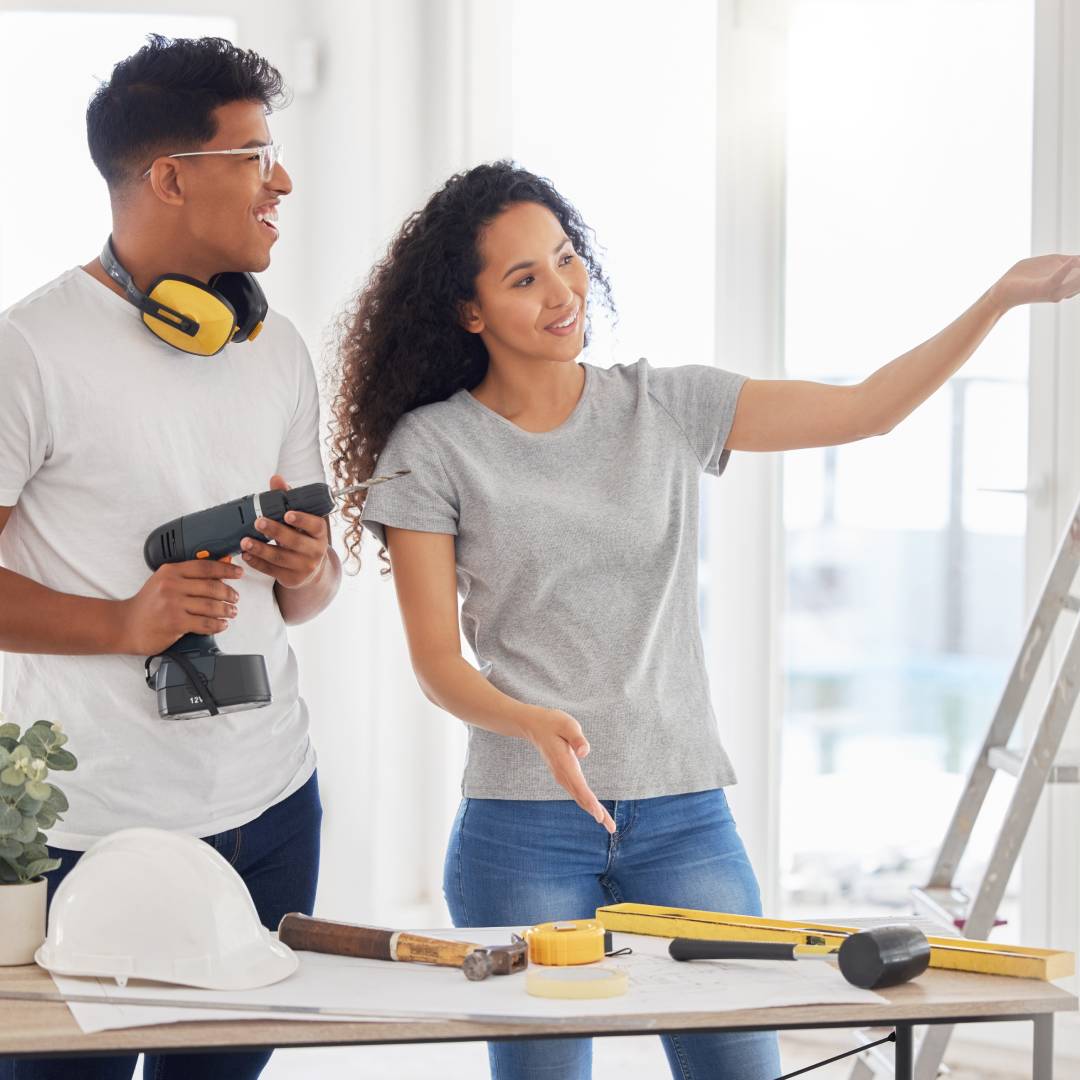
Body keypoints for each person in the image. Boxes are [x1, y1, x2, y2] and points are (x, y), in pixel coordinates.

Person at [331, 161, 1080, 1080]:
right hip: (521, 824)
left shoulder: (666, 406)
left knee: (738, 1066)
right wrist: (527, 720)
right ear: (469, 311)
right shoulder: (432, 447)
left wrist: (999, 298)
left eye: (566, 261)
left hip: (685, 815)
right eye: (524, 279)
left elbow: (866, 410)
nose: (562, 292)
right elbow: (437, 660)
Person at [0, 35, 339, 1080]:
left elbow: (314, 599)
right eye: (255, 153)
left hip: (271, 811)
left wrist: (303, 566)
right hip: (87, 834)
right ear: (171, 177)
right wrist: (122, 623)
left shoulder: (273, 347)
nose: (280, 179)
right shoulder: (30, 349)